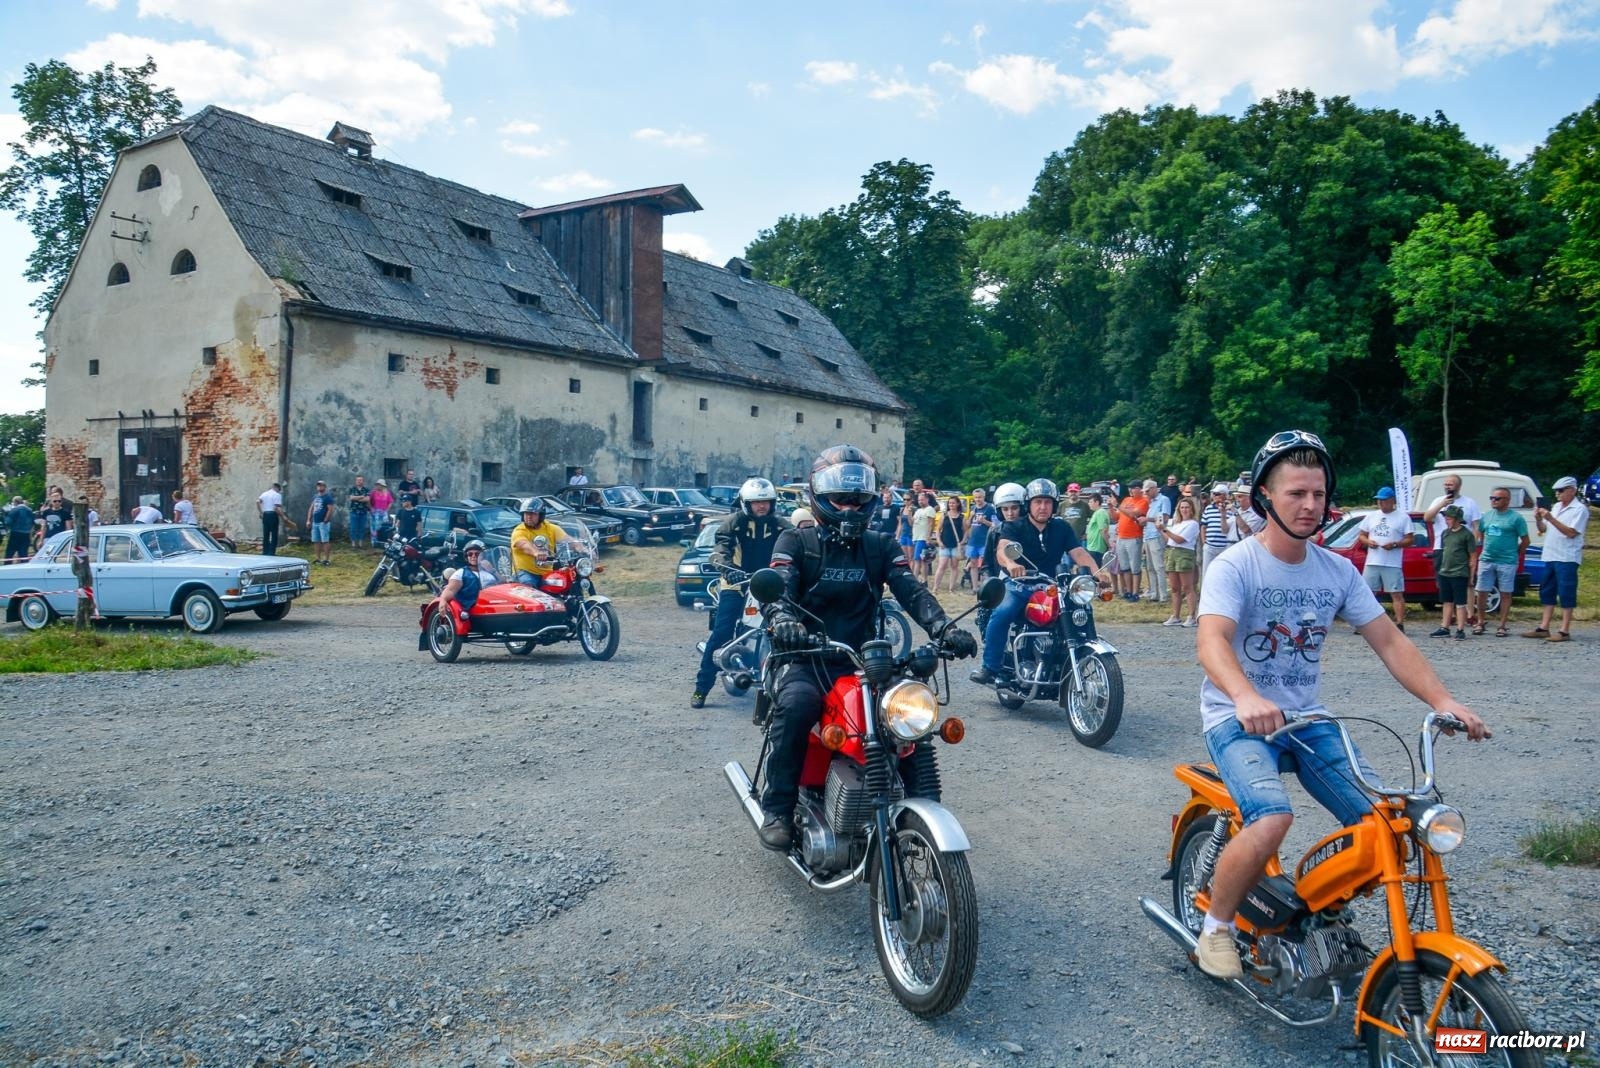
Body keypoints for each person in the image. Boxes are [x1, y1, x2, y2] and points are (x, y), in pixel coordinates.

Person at [1192, 429, 1490, 981]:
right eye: (1295, 494)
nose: (1310, 506)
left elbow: (1391, 640)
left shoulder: (1337, 570)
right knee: (1271, 817)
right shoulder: (1235, 565)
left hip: (1306, 721)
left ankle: (1319, 914)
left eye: (1319, 494)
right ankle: (1217, 927)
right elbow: (1212, 640)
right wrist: (1246, 695)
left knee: (1384, 825)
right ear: (1264, 497)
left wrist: (1444, 700)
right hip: (1237, 719)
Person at [756, 445, 975, 850]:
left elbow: (910, 589)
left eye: (858, 498)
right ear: (819, 496)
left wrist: (942, 627)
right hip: (806, 658)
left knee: (910, 713)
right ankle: (779, 807)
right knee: (798, 706)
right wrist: (783, 620)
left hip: (866, 662)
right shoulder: (795, 540)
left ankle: (923, 811)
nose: (850, 506)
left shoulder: (880, 545)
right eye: (841, 497)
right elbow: (778, 588)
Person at [971, 478, 1102, 685]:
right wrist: (1011, 564)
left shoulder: (1061, 528)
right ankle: (990, 667)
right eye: (1038, 502)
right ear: (1029, 505)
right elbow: (1002, 549)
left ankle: (1072, 655)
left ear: (1054, 505)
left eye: (1047, 502)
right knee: (1003, 612)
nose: (1043, 507)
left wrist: (1098, 573)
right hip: (1020, 585)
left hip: (1052, 586)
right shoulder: (1014, 526)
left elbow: (1078, 552)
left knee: (1081, 609)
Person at [692, 477, 789, 709]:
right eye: (756, 502)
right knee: (722, 632)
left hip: (769, 582)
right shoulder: (732, 524)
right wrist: (729, 569)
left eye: (766, 501)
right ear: (746, 503)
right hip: (737, 582)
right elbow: (720, 551)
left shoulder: (782, 526)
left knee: (789, 624)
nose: (762, 506)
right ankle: (701, 688)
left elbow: (796, 548)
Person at [1527, 476, 1588, 643]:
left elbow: (1571, 533)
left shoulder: (1579, 510)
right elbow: (1543, 530)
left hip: (1567, 557)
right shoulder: (1556, 507)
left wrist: (1550, 518)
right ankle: (1544, 627)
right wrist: (1539, 519)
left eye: (1561, 491)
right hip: (1551, 555)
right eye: (1556, 491)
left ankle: (1564, 630)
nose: (1557, 494)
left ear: (1572, 490)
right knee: (1547, 590)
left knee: (1566, 592)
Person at [1473, 487, 1527, 637]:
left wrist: (1517, 553)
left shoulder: (1516, 518)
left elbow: (1525, 540)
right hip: (1487, 559)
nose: (1493, 501)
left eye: (1497, 498)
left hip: (1507, 561)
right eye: (1492, 498)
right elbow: (1482, 534)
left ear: (1507, 500)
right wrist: (1486, 548)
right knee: (1482, 591)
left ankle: (1502, 625)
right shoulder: (1487, 516)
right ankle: (1480, 621)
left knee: (1506, 593)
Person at [1357, 487, 1413, 630]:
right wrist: (1368, 542)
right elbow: (1362, 535)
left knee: (1396, 593)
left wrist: (1395, 544)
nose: (1381, 503)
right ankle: (1366, 623)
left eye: (1384, 500)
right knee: (1368, 593)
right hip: (1373, 560)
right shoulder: (1371, 516)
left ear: (1392, 501)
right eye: (1379, 500)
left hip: (1392, 562)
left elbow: (1410, 539)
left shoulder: (1403, 517)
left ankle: (1399, 623)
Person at [1431, 506, 1477, 640]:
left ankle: (1460, 629)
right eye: (1445, 517)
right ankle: (1444, 627)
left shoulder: (1467, 535)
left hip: (1459, 572)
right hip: (1445, 571)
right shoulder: (1445, 533)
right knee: (1446, 601)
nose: (1446, 520)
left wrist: (1471, 575)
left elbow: (1473, 556)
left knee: (1460, 602)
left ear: (1457, 519)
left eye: (1449, 518)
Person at [1160, 496, 1201, 626]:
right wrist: (1161, 530)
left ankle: (1191, 616)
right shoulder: (1176, 523)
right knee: (1174, 587)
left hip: (1184, 553)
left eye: (1187, 507)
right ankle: (1176, 615)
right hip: (1172, 552)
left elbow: (1180, 540)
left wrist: (1165, 529)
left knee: (1188, 586)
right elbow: (1169, 540)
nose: (1184, 510)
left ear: (1192, 509)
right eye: (1182, 507)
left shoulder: (1193, 524)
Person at [510, 498, 569, 588]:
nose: (529, 517)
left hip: (547, 573)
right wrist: (536, 552)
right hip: (525, 572)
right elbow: (523, 544)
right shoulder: (519, 530)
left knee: (564, 585)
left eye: (533, 514)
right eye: (526, 513)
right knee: (529, 587)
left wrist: (583, 549)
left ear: (540, 515)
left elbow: (568, 540)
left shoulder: (550, 528)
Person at [437, 540, 499, 614]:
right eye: (470, 554)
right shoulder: (461, 573)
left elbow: (505, 584)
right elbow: (450, 590)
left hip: (494, 605)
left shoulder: (490, 571)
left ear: (483, 556)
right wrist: (443, 600)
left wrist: (492, 570)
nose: (473, 556)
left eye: (477, 554)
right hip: (472, 609)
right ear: (467, 557)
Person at [1114, 483, 1147, 601]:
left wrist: (1118, 505)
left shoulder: (1143, 501)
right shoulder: (1126, 499)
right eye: (1130, 488)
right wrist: (1110, 507)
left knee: (1135, 566)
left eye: (1134, 487)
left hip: (1134, 537)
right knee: (1125, 567)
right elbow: (1116, 517)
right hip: (1121, 537)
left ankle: (1135, 592)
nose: (1131, 490)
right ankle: (1128, 591)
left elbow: (1133, 514)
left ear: (1140, 489)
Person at [1142, 479, 1172, 603]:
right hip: (1149, 535)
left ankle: (1163, 595)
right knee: (1150, 567)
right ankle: (1154, 593)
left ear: (1155, 488)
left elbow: (1164, 518)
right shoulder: (1152, 503)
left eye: (1148, 491)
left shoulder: (1163, 500)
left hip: (1156, 535)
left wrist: (1147, 519)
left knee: (1158, 566)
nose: (1147, 493)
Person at [965, 486, 997, 590]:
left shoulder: (990, 508)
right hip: (973, 541)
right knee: (973, 564)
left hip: (985, 542)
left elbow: (996, 525)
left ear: (984, 497)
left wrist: (984, 521)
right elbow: (967, 525)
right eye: (976, 497)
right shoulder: (973, 508)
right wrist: (971, 516)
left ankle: (984, 587)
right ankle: (975, 587)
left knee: (984, 566)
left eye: (980, 497)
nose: (978, 500)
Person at [932, 496, 966, 592]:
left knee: (954, 566)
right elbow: (938, 529)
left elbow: (966, 530)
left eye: (953, 503)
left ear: (958, 504)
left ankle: (951, 588)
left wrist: (963, 541)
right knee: (942, 566)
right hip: (944, 545)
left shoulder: (961, 517)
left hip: (955, 545)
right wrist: (939, 541)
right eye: (950, 503)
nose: (951, 505)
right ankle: (935, 587)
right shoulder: (944, 515)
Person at [306, 480, 337, 565]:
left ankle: (326, 559)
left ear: (325, 487)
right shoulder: (315, 496)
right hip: (315, 522)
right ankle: (318, 558)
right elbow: (311, 508)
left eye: (321, 486)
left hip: (323, 522)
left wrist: (326, 519)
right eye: (318, 486)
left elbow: (330, 509)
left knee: (325, 541)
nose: (320, 487)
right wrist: (309, 520)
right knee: (316, 541)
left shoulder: (328, 497)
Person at [910, 491, 937, 582]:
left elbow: (930, 524)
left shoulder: (929, 509)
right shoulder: (918, 511)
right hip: (916, 537)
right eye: (919, 500)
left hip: (922, 537)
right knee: (923, 560)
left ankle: (914, 580)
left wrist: (928, 537)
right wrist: (909, 513)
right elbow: (911, 523)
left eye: (922, 499)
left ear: (927, 499)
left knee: (917, 559)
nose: (920, 501)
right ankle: (924, 580)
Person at [1084, 492, 1110, 568]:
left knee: (1095, 572)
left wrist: (1109, 545)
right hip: (1092, 547)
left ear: (1097, 502)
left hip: (1096, 548)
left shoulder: (1100, 513)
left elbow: (1103, 531)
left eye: (1091, 502)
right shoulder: (1096, 513)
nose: (1089, 504)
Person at [5, 495, 33, 562]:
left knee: (9, 554)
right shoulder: (29, 510)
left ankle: (7, 568)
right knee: (23, 554)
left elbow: (8, 522)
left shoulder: (14, 510)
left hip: (15, 533)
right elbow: (33, 522)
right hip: (26, 534)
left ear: (16, 502)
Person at [257, 482, 283, 555]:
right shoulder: (277, 495)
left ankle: (265, 552)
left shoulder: (264, 494)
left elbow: (257, 502)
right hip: (273, 514)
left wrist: (261, 512)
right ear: (277, 488)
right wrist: (283, 516)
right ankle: (271, 552)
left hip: (265, 514)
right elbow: (276, 507)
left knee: (266, 534)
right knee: (274, 534)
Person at [346, 476, 372, 547]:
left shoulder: (366, 489)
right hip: (354, 511)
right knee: (353, 528)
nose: (359, 481)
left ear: (363, 481)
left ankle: (360, 542)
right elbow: (351, 498)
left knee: (362, 528)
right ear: (355, 481)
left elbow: (367, 499)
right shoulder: (352, 489)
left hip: (363, 512)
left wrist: (356, 498)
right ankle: (353, 543)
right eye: (358, 480)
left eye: (360, 480)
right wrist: (361, 497)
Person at [368, 480, 394, 546]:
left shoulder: (387, 493)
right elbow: (368, 501)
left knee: (383, 527)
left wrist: (387, 509)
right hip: (375, 513)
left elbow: (391, 501)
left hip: (383, 513)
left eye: (379, 485)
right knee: (374, 528)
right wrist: (371, 509)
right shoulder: (373, 493)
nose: (378, 486)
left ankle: (383, 541)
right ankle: (374, 542)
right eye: (377, 485)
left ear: (383, 486)